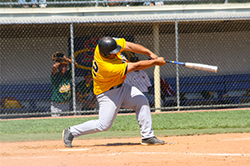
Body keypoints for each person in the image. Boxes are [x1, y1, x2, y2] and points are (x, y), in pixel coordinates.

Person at [62, 36, 167, 147]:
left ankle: (147, 137)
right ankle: (71, 131)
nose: (117, 52)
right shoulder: (107, 67)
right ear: (106, 54)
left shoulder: (104, 45)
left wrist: (150, 53)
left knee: (142, 101)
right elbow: (137, 66)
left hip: (122, 87)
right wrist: (155, 62)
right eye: (113, 52)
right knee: (104, 125)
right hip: (107, 94)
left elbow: (130, 46)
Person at [50, 52, 77, 117]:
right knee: (55, 122)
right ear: (59, 67)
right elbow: (54, 67)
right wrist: (60, 61)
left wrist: (66, 59)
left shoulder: (68, 75)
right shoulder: (56, 76)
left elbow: (75, 65)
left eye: (65, 66)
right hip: (57, 105)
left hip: (66, 104)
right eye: (62, 66)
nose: (64, 67)